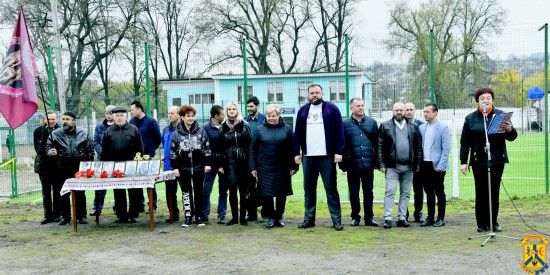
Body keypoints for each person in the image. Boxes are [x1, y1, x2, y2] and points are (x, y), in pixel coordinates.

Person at [460, 87, 517, 233]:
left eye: (488, 98)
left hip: (497, 160)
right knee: (481, 192)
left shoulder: (501, 116)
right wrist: (463, 161)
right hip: (478, 160)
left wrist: (510, 129)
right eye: (482, 98)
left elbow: (511, 137)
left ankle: (493, 222)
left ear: (492, 100)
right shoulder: (470, 118)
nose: (486, 100)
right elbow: (464, 142)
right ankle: (481, 223)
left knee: (494, 191)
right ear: (477, 101)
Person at [294, 84, 344, 231]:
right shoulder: (303, 111)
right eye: (311, 93)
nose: (314, 95)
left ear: (322, 93)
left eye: (317, 92)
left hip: (326, 156)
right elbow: (297, 133)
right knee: (309, 190)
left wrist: (339, 151)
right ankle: (309, 219)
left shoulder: (331, 109)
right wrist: (297, 152)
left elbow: (340, 130)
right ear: (308, 95)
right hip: (308, 157)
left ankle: (336, 220)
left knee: (331, 189)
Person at [249, 104, 298, 228]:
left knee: (282, 194)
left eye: (274, 116)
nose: (271, 118)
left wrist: (294, 166)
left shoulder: (287, 129)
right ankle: (270, 217)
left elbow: (293, 149)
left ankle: (279, 217)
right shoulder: (259, 129)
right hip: (264, 168)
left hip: (283, 168)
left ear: (279, 115)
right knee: (267, 194)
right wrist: (253, 167)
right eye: (269, 116)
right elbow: (252, 150)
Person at [378, 102, 422, 229]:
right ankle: (387, 218)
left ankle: (402, 218)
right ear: (393, 111)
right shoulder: (385, 126)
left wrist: (417, 165)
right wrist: (381, 163)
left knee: (406, 193)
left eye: (401, 110)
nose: (399, 112)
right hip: (392, 166)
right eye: (396, 110)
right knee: (390, 191)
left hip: (409, 167)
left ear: (404, 112)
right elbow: (380, 145)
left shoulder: (413, 127)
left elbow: (418, 147)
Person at [46, 111, 94, 225]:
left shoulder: (83, 134)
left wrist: (87, 166)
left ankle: (81, 216)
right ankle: (65, 217)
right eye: (63, 119)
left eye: (67, 119)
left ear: (74, 121)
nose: (65, 121)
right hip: (62, 168)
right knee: (63, 193)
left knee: (80, 193)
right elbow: (47, 147)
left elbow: (90, 151)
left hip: (79, 168)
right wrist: (50, 152)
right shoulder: (55, 134)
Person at [170, 105, 211, 227]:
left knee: (199, 192)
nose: (191, 118)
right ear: (182, 117)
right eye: (188, 116)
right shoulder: (176, 134)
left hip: (199, 167)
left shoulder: (201, 131)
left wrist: (208, 163)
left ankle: (198, 217)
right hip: (183, 168)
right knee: (186, 193)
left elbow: (207, 147)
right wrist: (175, 167)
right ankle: (188, 217)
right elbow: (172, 151)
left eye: (192, 116)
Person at [102, 107, 144, 223]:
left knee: (133, 190)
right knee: (118, 190)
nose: (119, 118)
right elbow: (105, 151)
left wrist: (138, 162)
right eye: (117, 116)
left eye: (121, 115)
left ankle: (133, 214)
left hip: (131, 165)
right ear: (113, 117)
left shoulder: (133, 129)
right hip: (115, 166)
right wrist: (105, 165)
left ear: (126, 116)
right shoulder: (108, 131)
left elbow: (139, 148)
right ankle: (121, 215)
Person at [342, 98, 379, 227]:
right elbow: (342, 145)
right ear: (351, 108)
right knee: (353, 192)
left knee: (368, 192)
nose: (361, 108)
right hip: (352, 165)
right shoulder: (344, 124)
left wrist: (377, 162)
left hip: (368, 164)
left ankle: (369, 218)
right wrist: (343, 164)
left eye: (362, 105)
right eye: (358, 106)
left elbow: (377, 144)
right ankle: (355, 217)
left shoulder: (372, 123)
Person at [219, 101, 253, 226]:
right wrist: (221, 165)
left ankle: (243, 217)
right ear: (226, 112)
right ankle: (234, 218)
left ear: (237, 110)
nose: (231, 111)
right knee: (232, 191)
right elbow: (220, 148)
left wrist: (251, 164)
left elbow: (250, 145)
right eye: (229, 109)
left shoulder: (245, 125)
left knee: (243, 191)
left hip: (243, 162)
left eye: (234, 109)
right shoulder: (223, 127)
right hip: (229, 163)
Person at [419, 103, 450, 227]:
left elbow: (446, 148)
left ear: (435, 113)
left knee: (439, 191)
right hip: (425, 165)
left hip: (437, 166)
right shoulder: (421, 128)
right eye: (424, 112)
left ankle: (440, 218)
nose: (425, 114)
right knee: (428, 192)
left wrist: (441, 165)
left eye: (428, 112)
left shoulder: (443, 128)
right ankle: (430, 217)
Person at [130, 100, 162, 213]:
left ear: (139, 109)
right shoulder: (132, 122)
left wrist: (150, 149)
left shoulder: (151, 122)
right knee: (136, 181)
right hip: (134, 157)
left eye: (133, 110)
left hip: (148, 156)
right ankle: (139, 205)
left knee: (149, 181)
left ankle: (152, 205)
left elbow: (158, 138)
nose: (131, 112)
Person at [202, 105, 229, 224]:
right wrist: (206, 164)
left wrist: (223, 164)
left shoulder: (225, 127)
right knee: (206, 190)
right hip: (210, 165)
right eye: (223, 114)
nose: (225, 116)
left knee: (223, 190)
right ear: (216, 116)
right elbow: (203, 147)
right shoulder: (205, 129)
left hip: (223, 165)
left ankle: (221, 215)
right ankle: (204, 214)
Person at [34, 110, 60, 224]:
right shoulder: (38, 131)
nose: (51, 121)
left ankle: (58, 214)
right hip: (44, 166)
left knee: (57, 191)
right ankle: (47, 215)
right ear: (45, 120)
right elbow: (38, 149)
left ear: (56, 119)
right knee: (46, 192)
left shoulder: (61, 130)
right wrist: (46, 133)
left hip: (57, 166)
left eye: (53, 119)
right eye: (49, 119)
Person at [244, 96, 267, 222]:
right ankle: (251, 213)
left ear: (257, 106)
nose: (249, 109)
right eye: (247, 106)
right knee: (250, 187)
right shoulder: (244, 120)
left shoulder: (264, 119)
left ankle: (266, 213)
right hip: (248, 158)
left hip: (262, 157)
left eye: (251, 106)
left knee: (264, 185)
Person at [90, 105, 116, 217]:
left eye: (111, 113)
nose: (109, 115)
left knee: (118, 185)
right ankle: (97, 208)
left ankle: (119, 208)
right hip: (102, 160)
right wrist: (102, 153)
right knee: (100, 186)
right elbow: (95, 142)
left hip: (116, 160)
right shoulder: (99, 127)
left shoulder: (119, 126)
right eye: (107, 113)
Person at [404, 102, 425, 223]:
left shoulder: (421, 126)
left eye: (411, 109)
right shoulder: (399, 125)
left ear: (415, 111)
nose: (409, 112)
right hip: (404, 164)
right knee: (405, 190)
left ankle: (418, 214)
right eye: (407, 109)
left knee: (418, 190)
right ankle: (404, 214)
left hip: (418, 165)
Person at [162, 106, 181, 223]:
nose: (170, 115)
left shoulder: (184, 128)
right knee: (169, 191)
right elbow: (164, 145)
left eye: (172, 113)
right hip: (168, 166)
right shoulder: (165, 130)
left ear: (179, 115)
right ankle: (173, 214)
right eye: (169, 113)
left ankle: (190, 214)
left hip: (182, 165)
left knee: (186, 190)